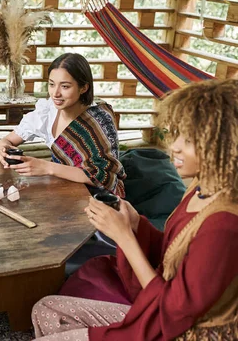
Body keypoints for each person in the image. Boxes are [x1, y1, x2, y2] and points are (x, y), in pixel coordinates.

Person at [30, 79, 238, 340]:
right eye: (178, 135)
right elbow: (178, 253)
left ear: (225, 147)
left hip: (181, 332)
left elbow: (173, 314)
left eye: (190, 140)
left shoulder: (225, 225)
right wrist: (137, 224)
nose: (174, 147)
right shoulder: (201, 186)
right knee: (47, 309)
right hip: (160, 310)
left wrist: (124, 237)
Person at [0, 53, 125, 197]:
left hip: (99, 195)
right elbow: (7, 141)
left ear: (83, 88)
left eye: (65, 86)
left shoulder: (99, 120)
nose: (55, 93)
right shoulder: (47, 112)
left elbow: (104, 178)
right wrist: (2, 150)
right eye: (51, 84)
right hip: (64, 187)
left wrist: (46, 167)